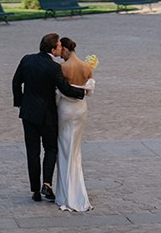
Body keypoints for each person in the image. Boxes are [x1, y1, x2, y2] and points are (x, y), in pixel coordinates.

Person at [12, 33, 85, 203]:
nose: (61, 48)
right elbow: (65, 89)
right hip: (47, 115)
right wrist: (83, 91)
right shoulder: (54, 68)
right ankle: (47, 183)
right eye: (59, 46)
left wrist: (20, 103)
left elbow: (16, 82)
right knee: (51, 148)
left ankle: (35, 191)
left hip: (28, 113)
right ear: (53, 49)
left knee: (32, 152)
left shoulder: (27, 60)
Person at [55, 36, 95, 212]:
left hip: (65, 109)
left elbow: (58, 91)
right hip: (81, 110)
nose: (58, 54)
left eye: (59, 50)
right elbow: (89, 91)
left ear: (64, 49)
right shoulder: (87, 67)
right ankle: (76, 190)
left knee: (64, 148)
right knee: (75, 149)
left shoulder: (63, 67)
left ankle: (66, 193)